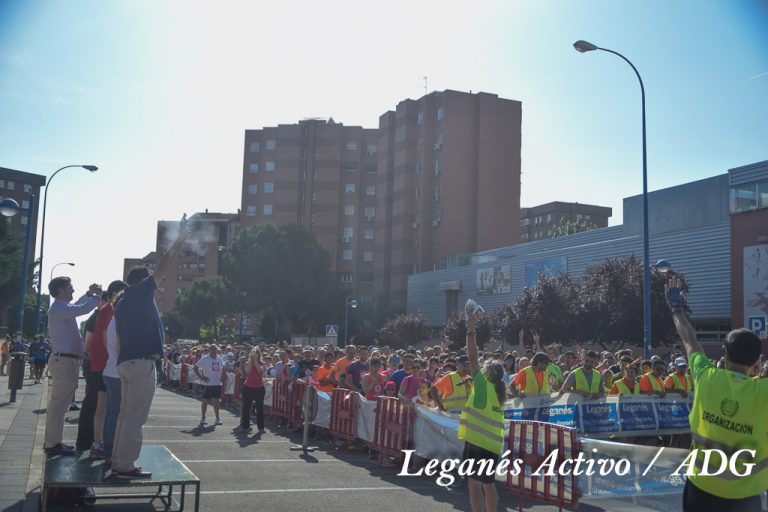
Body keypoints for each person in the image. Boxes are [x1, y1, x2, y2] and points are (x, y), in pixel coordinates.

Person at [666, 276, 767, 511]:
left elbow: (689, 340)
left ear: (725, 353)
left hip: (700, 488)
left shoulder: (706, 376)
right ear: (755, 364)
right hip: (746, 495)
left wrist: (676, 309)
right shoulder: (763, 393)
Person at [110, 217, 189, 478]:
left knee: (125, 415)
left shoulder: (121, 303)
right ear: (143, 281)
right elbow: (164, 266)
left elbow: (120, 339)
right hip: (142, 362)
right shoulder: (140, 293)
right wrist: (178, 242)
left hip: (126, 361)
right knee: (135, 417)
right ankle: (125, 464)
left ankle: (118, 459)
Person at [43, 278, 101, 456]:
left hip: (66, 360)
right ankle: (52, 443)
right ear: (60, 290)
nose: (73, 290)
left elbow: (77, 305)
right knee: (59, 405)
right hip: (65, 361)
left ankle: (54, 441)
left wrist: (89, 295)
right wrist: (97, 296)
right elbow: (81, 309)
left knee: (59, 404)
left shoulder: (61, 308)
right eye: (69, 288)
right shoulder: (60, 308)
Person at [458, 309, 506, 512]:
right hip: (493, 445)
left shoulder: (483, 386)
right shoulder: (498, 391)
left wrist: (471, 330)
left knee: (473, 485)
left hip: (476, 443)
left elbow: (472, 356)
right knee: (488, 484)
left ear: (486, 373)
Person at [76, 292, 110, 451]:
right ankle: (84, 441)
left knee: (96, 404)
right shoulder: (96, 317)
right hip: (94, 365)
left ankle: (88, 440)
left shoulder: (100, 316)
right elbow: (88, 346)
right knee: (92, 403)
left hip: (95, 363)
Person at [101, 281, 128, 463]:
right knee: (117, 413)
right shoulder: (119, 322)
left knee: (112, 412)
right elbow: (121, 347)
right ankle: (112, 449)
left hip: (110, 370)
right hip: (117, 372)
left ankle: (109, 447)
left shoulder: (113, 320)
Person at [194, 344, 227, 426]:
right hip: (207, 384)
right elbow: (195, 367)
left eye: (216, 350)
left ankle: (217, 418)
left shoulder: (219, 358)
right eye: (214, 350)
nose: (216, 351)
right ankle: (203, 418)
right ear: (210, 350)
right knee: (205, 401)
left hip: (216, 383)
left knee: (216, 401)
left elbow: (223, 367)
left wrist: (223, 375)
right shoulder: (204, 359)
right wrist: (201, 377)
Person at [239, 348, 266, 434]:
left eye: (257, 354)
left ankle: (261, 427)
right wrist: (252, 360)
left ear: (259, 354)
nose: (255, 355)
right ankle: (244, 426)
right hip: (248, 387)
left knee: (260, 408)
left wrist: (255, 361)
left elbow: (260, 371)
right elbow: (248, 372)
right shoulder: (248, 363)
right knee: (246, 408)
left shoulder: (262, 363)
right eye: (254, 353)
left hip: (259, 387)